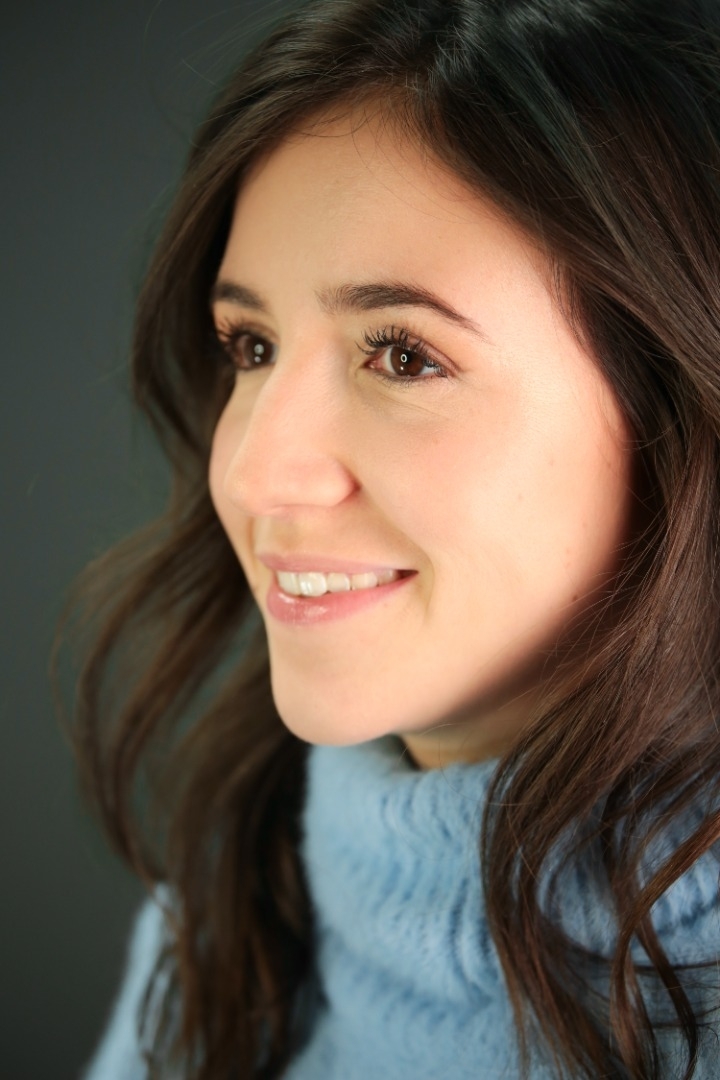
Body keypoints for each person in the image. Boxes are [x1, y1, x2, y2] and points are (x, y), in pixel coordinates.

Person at [63, 0, 720, 1077]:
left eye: (403, 356)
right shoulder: (215, 940)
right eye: (252, 346)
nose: (254, 472)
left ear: (677, 412)